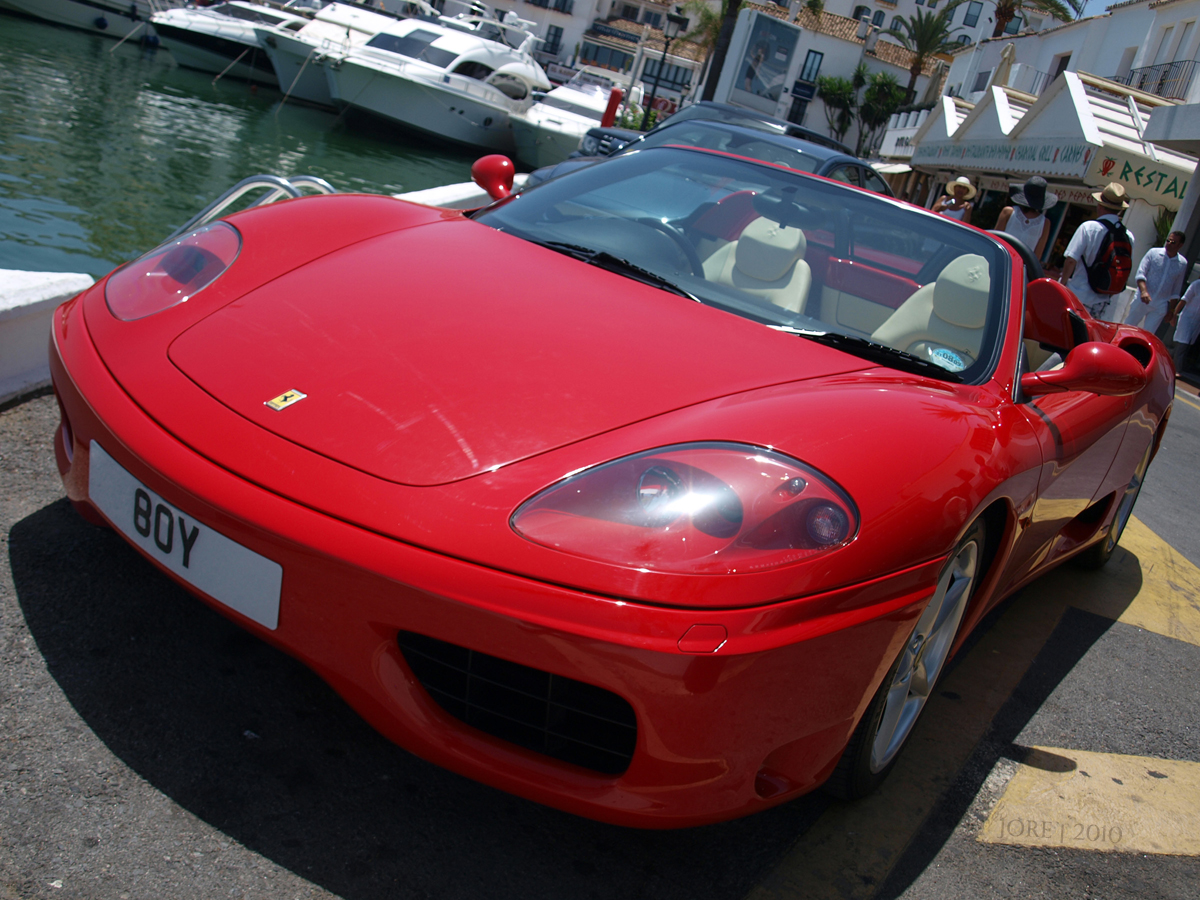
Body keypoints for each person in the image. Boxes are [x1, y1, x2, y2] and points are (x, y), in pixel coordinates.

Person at [1059, 182, 1134, 320]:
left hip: (1078, 295)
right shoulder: (1128, 236)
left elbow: (1071, 260)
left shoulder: (1089, 227)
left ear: (1099, 205)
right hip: (1102, 302)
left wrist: (1062, 284)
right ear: (1120, 209)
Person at [1125, 230, 1187, 336]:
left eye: (1173, 242)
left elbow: (1176, 289)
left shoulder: (1182, 263)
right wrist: (1144, 292)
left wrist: (1171, 310)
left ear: (1180, 245)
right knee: (1128, 327)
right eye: (1168, 240)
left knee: (1148, 335)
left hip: (1160, 304)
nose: (1169, 244)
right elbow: (1141, 274)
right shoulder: (1153, 253)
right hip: (1142, 299)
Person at [995, 176, 1057, 259]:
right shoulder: (1045, 223)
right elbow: (1037, 256)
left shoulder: (1008, 212)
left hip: (1001, 259)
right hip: (1022, 267)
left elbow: (994, 240)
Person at [1170, 278, 1200, 373]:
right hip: (1187, 318)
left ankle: (1167, 362)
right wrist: (1174, 314)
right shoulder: (1196, 285)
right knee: (1183, 343)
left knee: (1185, 345)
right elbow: (1184, 300)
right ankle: (1177, 369)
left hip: (1197, 322)